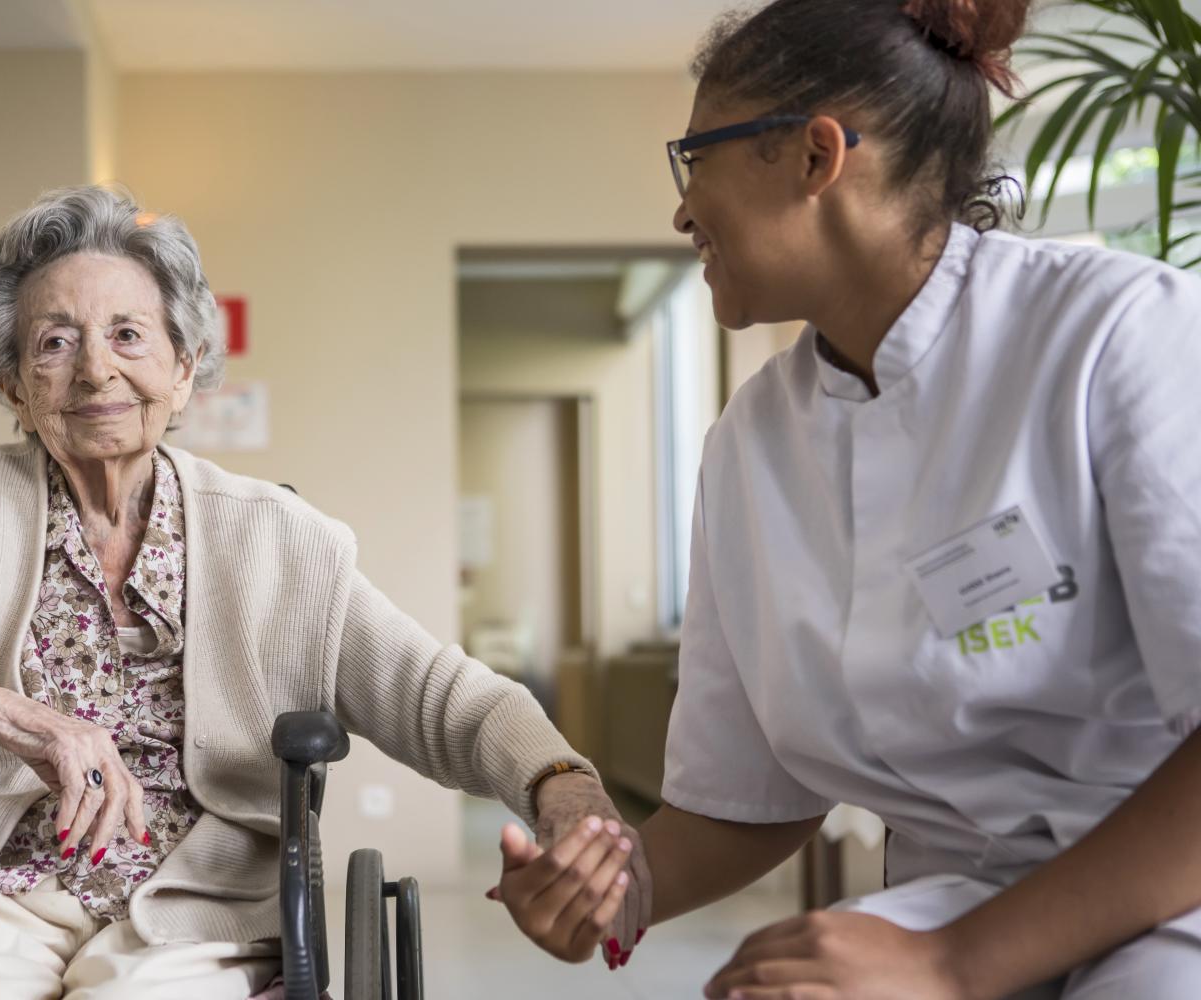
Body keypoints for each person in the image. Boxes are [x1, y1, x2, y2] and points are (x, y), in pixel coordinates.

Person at [0, 185, 632, 1000]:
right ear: (13, 385)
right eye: (55, 342)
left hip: (195, 909)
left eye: (128, 336)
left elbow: (446, 698)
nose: (96, 370)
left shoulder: (278, 540)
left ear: (185, 369)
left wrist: (561, 786)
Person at [492, 0, 1201, 996]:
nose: (683, 210)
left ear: (816, 157)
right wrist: (615, 891)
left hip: (1167, 898)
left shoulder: (1118, 337)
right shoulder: (751, 446)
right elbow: (747, 800)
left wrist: (948, 963)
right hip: (955, 897)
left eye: (693, 158)